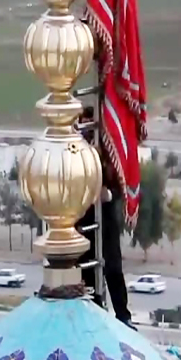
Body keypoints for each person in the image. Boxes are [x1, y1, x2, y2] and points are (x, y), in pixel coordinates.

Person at [76, 106, 134, 329]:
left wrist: (105, 193)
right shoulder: (76, 153)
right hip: (83, 221)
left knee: (112, 270)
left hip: (106, 221)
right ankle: (93, 312)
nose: (87, 130)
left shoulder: (108, 154)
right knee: (87, 272)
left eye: (91, 124)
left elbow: (120, 185)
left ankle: (123, 316)